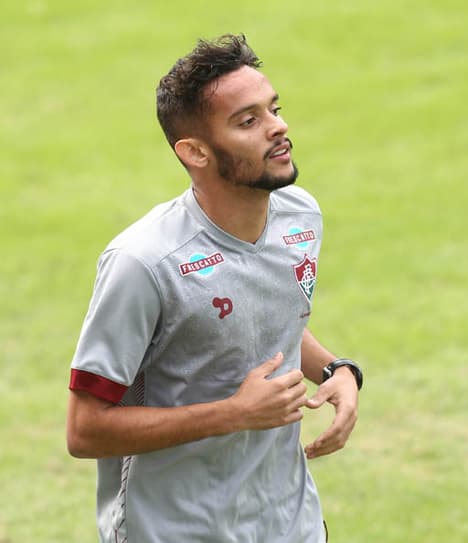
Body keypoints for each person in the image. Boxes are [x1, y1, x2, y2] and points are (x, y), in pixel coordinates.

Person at [66, 34, 363, 543]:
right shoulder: (143, 263)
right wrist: (234, 414)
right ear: (195, 151)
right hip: (172, 530)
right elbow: (85, 429)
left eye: (274, 109)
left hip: (289, 523)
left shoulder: (300, 216)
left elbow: (268, 317)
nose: (279, 127)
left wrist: (337, 371)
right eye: (248, 121)